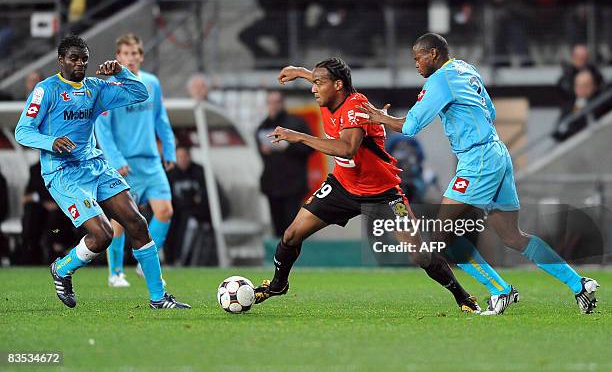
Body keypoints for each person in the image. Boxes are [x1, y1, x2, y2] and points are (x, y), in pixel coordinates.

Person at [359, 33, 599, 314]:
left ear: (433, 54)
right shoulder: (465, 68)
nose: (415, 64)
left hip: (478, 159)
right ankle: (579, 284)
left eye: (417, 57)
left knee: (439, 235)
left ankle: (500, 290)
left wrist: (378, 117)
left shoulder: (439, 80)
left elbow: (410, 127)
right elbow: (491, 111)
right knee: (512, 236)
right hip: (497, 151)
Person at [253, 57, 481, 314]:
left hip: (383, 194)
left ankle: (463, 296)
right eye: (313, 83)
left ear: (338, 85)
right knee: (291, 234)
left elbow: (347, 149)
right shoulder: (330, 94)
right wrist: (301, 72)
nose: (313, 89)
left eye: (318, 83)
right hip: (342, 186)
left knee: (419, 255)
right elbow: (320, 79)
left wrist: (300, 137)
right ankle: (278, 284)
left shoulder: (355, 106)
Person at [14, 35, 189, 309]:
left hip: (94, 166)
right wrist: (51, 142)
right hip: (63, 173)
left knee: (138, 223)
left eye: (84, 58)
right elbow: (22, 131)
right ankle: (62, 269)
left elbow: (140, 94)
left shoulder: (95, 88)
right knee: (103, 235)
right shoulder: (45, 90)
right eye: (73, 58)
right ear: (61, 60)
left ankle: (158, 297)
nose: (80, 63)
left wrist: (122, 72)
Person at [95, 33, 176, 288]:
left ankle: (144, 260)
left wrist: (170, 150)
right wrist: (116, 159)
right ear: (118, 57)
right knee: (119, 221)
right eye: (125, 54)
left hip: (151, 161)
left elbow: (160, 118)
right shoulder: (109, 87)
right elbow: (102, 127)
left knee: (165, 211)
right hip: (123, 163)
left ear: (141, 56)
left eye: (134, 54)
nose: (130, 59)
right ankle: (116, 273)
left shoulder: (151, 83)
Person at [256, 91, 313, 238]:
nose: (273, 106)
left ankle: (295, 258)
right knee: (277, 227)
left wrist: (288, 146)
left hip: (292, 184)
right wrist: (265, 150)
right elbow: (262, 155)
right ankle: (280, 259)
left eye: (276, 102)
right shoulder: (262, 127)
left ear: (282, 103)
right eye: (270, 102)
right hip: (272, 184)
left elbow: (310, 147)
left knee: (293, 227)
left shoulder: (296, 123)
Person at [166, 146, 230, 266]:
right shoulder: (171, 174)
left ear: (190, 157)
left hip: (196, 214)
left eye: (184, 156)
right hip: (176, 213)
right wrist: (189, 200)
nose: (182, 160)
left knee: (190, 223)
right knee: (168, 224)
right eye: (179, 157)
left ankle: (183, 260)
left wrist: (189, 202)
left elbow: (206, 197)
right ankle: (170, 259)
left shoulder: (199, 171)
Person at [238, 0, 308, 66]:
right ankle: (266, 59)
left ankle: (277, 66)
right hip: (271, 18)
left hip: (289, 22)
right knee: (245, 34)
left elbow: (301, 2)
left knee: (285, 51)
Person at [20, 161, 77, 265]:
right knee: (32, 214)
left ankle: (55, 249)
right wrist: (43, 202)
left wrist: (57, 204)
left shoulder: (66, 166)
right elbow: (26, 198)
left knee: (54, 226)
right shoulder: (35, 169)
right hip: (41, 211)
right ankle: (30, 250)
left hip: (62, 210)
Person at [553, 68, 610, 141]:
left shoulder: (601, 102)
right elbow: (558, 130)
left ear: (594, 86)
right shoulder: (569, 106)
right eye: (578, 85)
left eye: (586, 85)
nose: (581, 89)